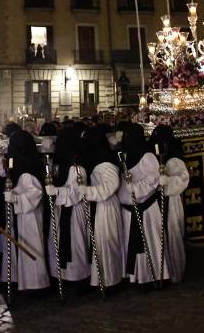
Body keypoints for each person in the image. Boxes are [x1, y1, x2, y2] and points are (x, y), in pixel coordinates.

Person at [73, 126, 125, 290]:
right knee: (100, 245)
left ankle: (109, 281)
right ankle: (101, 279)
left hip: (106, 208)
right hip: (98, 207)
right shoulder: (97, 159)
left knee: (106, 245)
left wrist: (87, 191)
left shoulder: (105, 162)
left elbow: (111, 186)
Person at [0, 129, 48, 294]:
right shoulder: (20, 165)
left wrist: (15, 199)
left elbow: (36, 193)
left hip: (29, 217)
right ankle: (14, 279)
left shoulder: (27, 168)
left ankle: (34, 284)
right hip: (20, 215)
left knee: (30, 245)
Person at [114, 124, 160, 287]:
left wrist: (136, 188)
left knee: (148, 243)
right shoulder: (124, 155)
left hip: (145, 208)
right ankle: (134, 276)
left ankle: (150, 276)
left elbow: (154, 179)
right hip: (128, 209)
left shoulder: (146, 156)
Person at [47, 125, 90, 288]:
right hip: (60, 210)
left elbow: (77, 192)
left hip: (74, 211)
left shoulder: (77, 167)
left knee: (76, 244)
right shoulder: (58, 165)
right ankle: (61, 275)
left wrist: (57, 192)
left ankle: (78, 278)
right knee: (57, 241)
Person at [155, 126, 189, 283]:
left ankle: (176, 272)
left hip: (172, 201)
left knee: (173, 234)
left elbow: (182, 179)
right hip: (159, 201)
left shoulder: (174, 158)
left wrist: (167, 181)